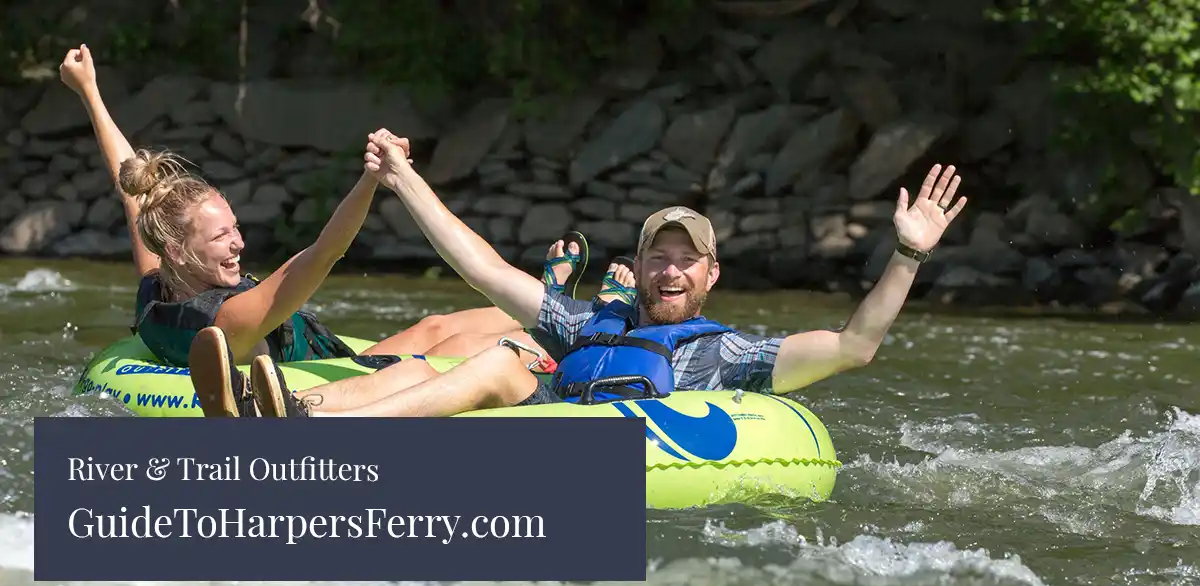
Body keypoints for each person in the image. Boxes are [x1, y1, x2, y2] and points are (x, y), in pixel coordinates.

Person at [187, 129, 968, 418]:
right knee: (455, 362)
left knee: (504, 360)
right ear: (642, 264)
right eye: (657, 255)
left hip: (631, 445)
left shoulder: (726, 354)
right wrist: (401, 177)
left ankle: (319, 433)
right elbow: (480, 265)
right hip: (544, 409)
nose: (669, 269)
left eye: (685, 259)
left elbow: (854, 345)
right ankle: (292, 410)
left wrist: (908, 253)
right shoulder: (588, 322)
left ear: (709, 276)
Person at [57, 44, 633, 388]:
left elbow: (134, 191)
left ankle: (561, 307)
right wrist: (370, 180)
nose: (238, 245)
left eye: (234, 228)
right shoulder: (227, 320)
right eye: (221, 237)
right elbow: (324, 253)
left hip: (344, 355)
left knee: (438, 325)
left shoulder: (157, 284)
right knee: (473, 347)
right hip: (355, 379)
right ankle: (588, 332)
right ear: (180, 250)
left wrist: (89, 93)